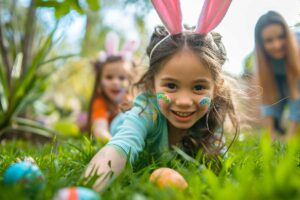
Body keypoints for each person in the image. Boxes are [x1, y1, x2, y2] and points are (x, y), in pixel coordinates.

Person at [85, 0, 238, 191]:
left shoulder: (210, 118)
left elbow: (221, 164)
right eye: (171, 86)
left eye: (198, 87)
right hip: (121, 122)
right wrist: (88, 192)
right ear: (151, 85)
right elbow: (119, 147)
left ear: (216, 88)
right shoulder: (146, 111)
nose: (183, 102)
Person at [254, 11, 300, 139]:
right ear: (261, 44)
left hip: (297, 77)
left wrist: (290, 140)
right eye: (269, 40)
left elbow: (297, 100)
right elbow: (268, 99)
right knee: (272, 131)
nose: (277, 45)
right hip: (277, 78)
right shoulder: (259, 59)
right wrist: (271, 137)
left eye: (281, 37)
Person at [87, 32, 137, 142]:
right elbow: (100, 131)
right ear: (99, 81)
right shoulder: (100, 103)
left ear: (130, 81)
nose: (115, 82)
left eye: (122, 78)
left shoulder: (130, 100)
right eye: (109, 77)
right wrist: (116, 144)